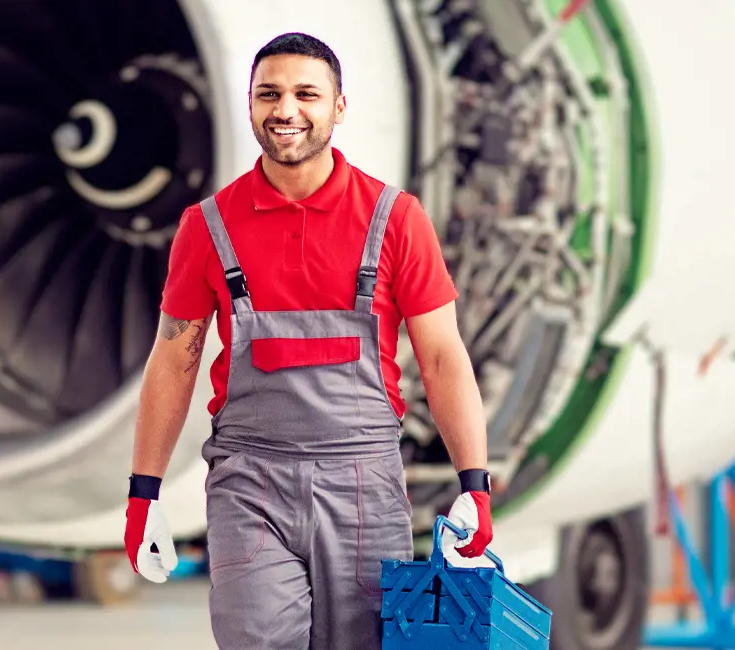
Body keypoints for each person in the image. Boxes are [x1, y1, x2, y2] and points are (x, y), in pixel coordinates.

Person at [122, 32, 496, 649]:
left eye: (306, 94)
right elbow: (173, 362)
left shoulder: (395, 219)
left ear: (338, 107)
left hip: (363, 485)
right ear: (249, 105)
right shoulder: (208, 227)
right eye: (269, 94)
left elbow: (441, 355)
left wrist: (474, 485)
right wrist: (144, 495)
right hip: (249, 483)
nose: (286, 110)